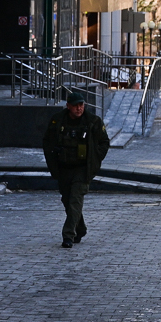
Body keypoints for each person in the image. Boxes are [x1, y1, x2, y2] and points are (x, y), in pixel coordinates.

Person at [42, 92, 110, 249]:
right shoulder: (57, 120)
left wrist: (95, 157)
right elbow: (47, 140)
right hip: (64, 168)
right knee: (67, 201)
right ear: (68, 106)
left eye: (81, 105)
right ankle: (80, 228)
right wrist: (52, 157)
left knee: (75, 200)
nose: (79, 109)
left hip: (83, 169)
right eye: (75, 106)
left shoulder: (93, 121)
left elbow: (104, 142)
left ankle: (68, 235)